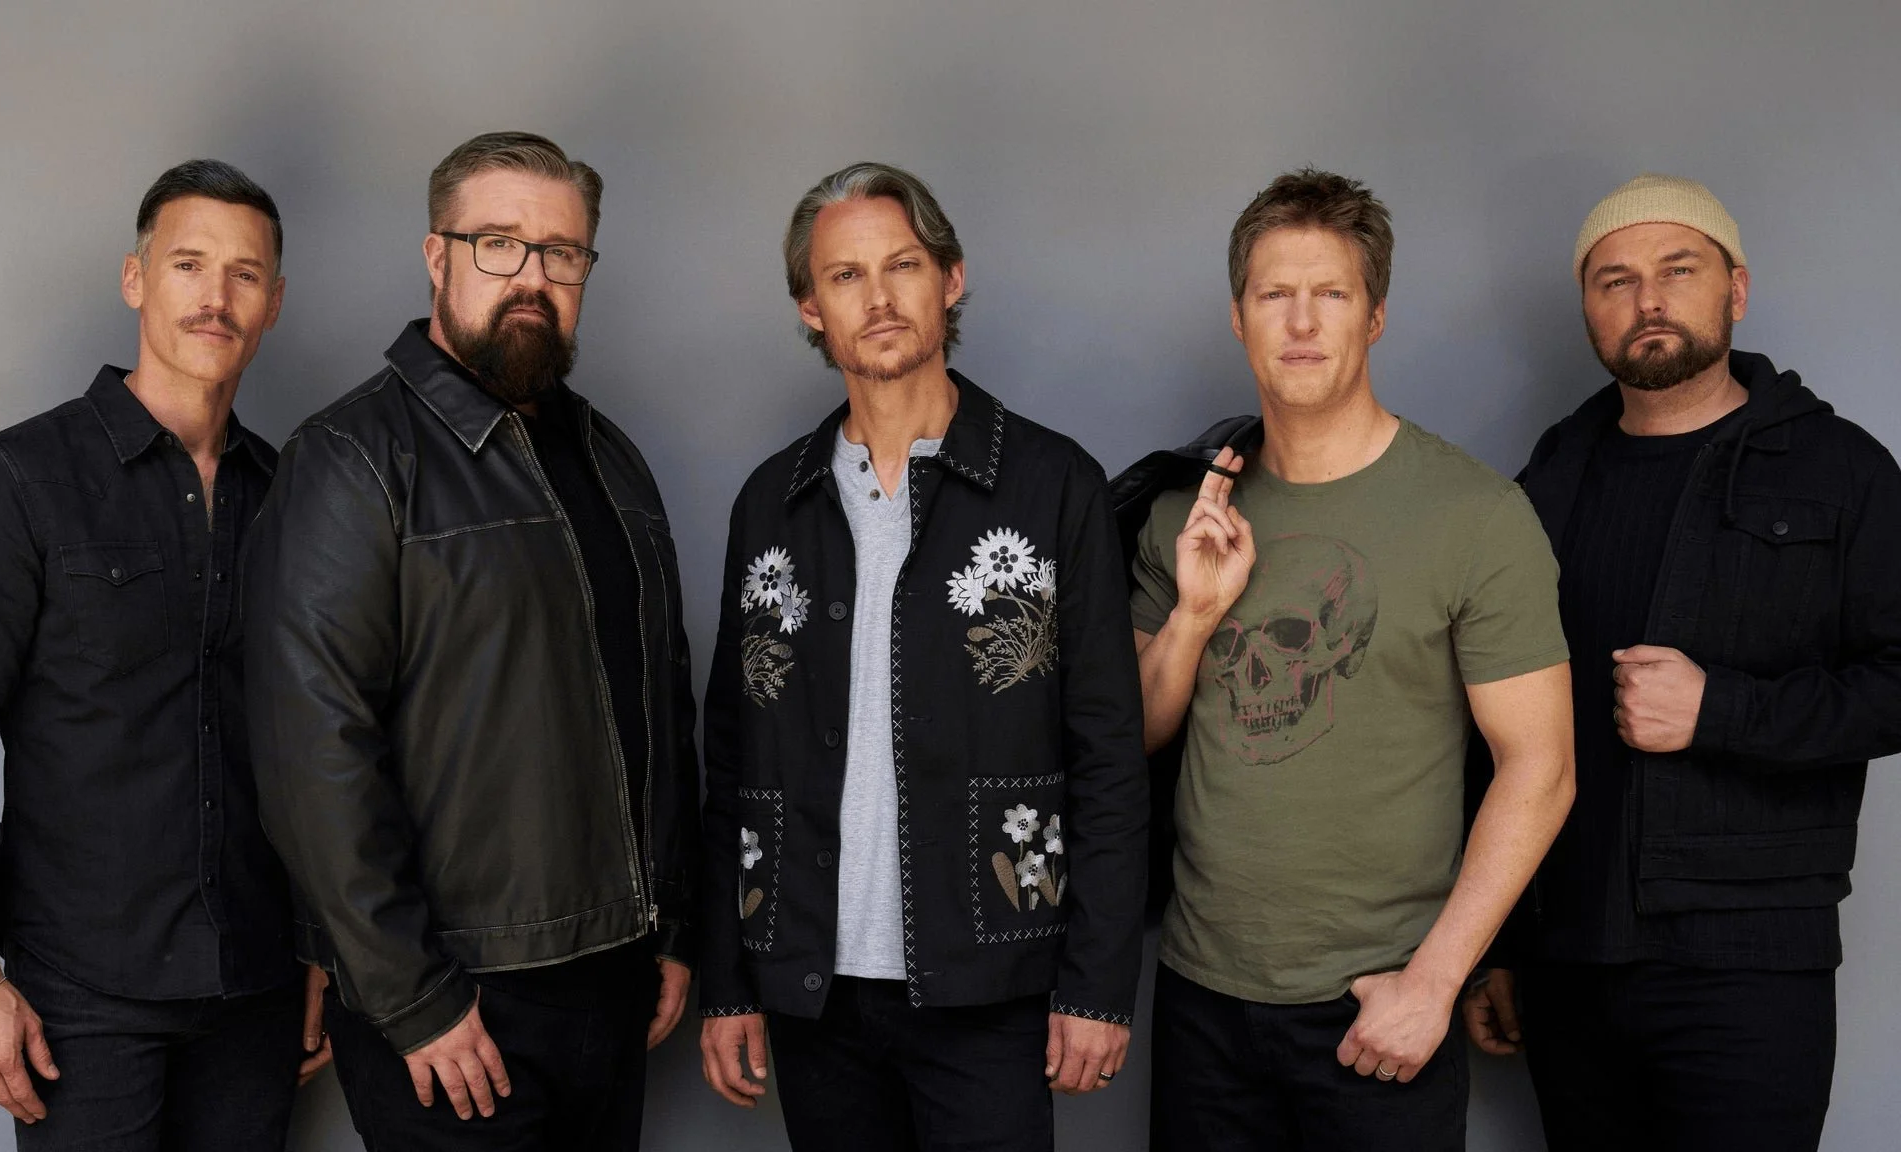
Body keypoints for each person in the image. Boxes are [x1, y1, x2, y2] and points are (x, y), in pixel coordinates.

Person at [243, 131, 698, 1151]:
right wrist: (410, 998)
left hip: (611, 980)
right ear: (436, 255)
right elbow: (311, 753)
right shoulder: (352, 459)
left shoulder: (610, 457)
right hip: (456, 1001)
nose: (531, 276)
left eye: (561, 252)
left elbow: (657, 703)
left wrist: (672, 923)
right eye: (498, 243)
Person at [0, 159, 324, 1149]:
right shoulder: (21, 477)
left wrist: (320, 954)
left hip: (255, 989)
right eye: (189, 262)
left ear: (274, 303)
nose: (216, 295)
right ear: (135, 277)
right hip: (84, 1001)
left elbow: (314, 750)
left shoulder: (290, 496)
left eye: (245, 274)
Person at [695, 162, 1149, 1152]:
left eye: (901, 264)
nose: (878, 295)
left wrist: (1098, 984)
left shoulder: (1049, 485)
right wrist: (728, 979)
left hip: (990, 976)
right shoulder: (771, 503)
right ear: (809, 309)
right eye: (845, 275)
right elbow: (729, 761)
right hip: (812, 982)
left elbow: (1109, 756)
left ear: (949, 278)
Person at [1126, 168, 1575, 1151]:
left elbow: (1539, 768)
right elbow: (1132, 734)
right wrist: (1197, 617)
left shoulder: (1475, 518)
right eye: (1272, 294)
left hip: (1379, 1003)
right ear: (1237, 316)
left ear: (1372, 317)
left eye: (1329, 294)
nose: (1299, 322)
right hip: (1201, 998)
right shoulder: (1181, 513)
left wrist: (1435, 980)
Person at [1459, 173, 1901, 1152]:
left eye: (1676, 270)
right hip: (1568, 959)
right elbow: (1490, 734)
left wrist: (1721, 712)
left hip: (1749, 966)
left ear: (1733, 291)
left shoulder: (1841, 471)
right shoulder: (1543, 484)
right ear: (1585, 308)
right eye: (1612, 279)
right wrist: (1493, 945)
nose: (1645, 301)